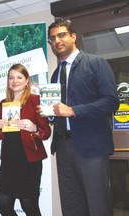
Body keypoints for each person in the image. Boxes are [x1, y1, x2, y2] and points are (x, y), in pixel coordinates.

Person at [46, 19, 120, 216]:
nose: (57, 40)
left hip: (92, 149)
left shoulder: (96, 63)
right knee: (71, 208)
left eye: (61, 35)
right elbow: (60, 111)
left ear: (73, 36)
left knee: (98, 207)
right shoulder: (55, 74)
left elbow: (111, 102)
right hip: (63, 148)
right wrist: (50, 115)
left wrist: (74, 110)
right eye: (52, 38)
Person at [0, 64, 51, 216]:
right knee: (4, 207)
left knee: (29, 207)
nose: (14, 81)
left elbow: (47, 132)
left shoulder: (36, 101)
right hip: (8, 162)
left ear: (27, 81)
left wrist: (34, 128)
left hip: (29, 162)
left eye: (19, 77)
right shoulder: (3, 104)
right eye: (11, 78)